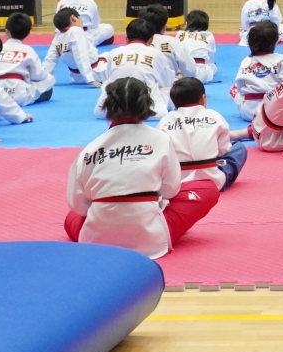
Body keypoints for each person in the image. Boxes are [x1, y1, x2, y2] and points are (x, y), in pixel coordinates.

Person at [64, 77, 193, 259]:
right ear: (147, 105)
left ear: (107, 106)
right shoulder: (162, 139)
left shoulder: (89, 150)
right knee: (205, 189)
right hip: (150, 239)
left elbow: (78, 206)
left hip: (97, 243)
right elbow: (170, 190)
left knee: (71, 218)